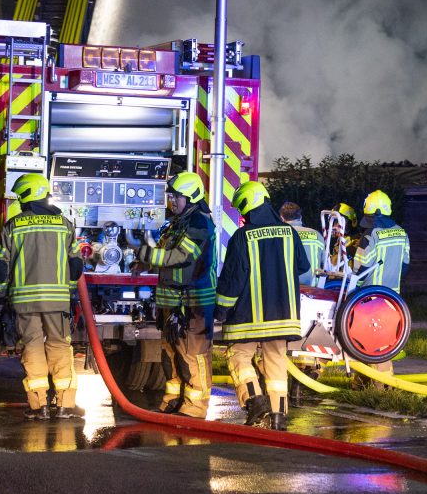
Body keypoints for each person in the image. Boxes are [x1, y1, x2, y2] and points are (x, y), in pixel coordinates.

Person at [215, 181, 309, 430]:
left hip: (248, 316)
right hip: (283, 315)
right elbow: (303, 266)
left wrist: (221, 309)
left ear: (248, 205)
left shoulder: (242, 237)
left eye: (242, 211)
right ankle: (278, 417)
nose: (242, 216)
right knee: (276, 362)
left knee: (238, 356)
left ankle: (255, 401)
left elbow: (232, 280)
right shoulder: (290, 234)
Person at [0, 173, 82, 421]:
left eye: (21, 197)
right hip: (57, 300)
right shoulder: (64, 224)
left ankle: (38, 405)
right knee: (60, 345)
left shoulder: (13, 226)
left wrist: (1, 295)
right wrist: (69, 289)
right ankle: (65, 405)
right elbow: (76, 264)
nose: (20, 201)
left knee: (31, 346)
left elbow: (0, 267)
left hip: (24, 301)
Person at [134, 172, 216, 417]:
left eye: (177, 196)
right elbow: (164, 253)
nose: (172, 201)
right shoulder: (177, 223)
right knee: (171, 353)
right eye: (171, 196)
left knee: (194, 355)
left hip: (194, 303)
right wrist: (145, 266)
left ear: (191, 197)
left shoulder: (200, 223)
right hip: (173, 303)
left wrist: (144, 254)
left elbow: (180, 256)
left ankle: (195, 406)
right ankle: (173, 400)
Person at [351, 189, 410, 382]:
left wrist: (354, 289)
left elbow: (359, 269)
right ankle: (385, 384)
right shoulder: (402, 233)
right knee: (386, 341)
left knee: (364, 341)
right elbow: (405, 264)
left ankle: (372, 385)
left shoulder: (370, 236)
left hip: (370, 298)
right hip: (393, 297)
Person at [279, 202, 323, 287]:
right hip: (315, 291)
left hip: (288, 290)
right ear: (300, 217)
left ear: (281, 218)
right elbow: (326, 265)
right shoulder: (317, 235)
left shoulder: (280, 236)